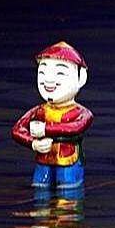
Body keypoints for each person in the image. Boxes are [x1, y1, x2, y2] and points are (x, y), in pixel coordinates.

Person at [12, 42, 93, 191]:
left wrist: (45, 129)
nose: (48, 80)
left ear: (81, 78)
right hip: (43, 160)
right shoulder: (39, 110)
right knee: (40, 193)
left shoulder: (82, 113)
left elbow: (76, 127)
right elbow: (17, 130)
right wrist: (33, 143)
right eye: (42, 73)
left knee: (68, 196)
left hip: (68, 161)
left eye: (60, 73)